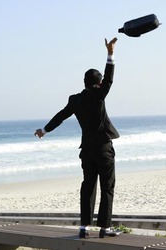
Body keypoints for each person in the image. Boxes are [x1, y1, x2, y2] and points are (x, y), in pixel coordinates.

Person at [34, 37, 120, 239]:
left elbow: (61, 116)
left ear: (84, 83)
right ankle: (105, 228)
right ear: (98, 84)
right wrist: (110, 53)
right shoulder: (99, 95)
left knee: (87, 186)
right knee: (107, 187)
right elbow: (109, 78)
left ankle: (84, 227)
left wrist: (44, 131)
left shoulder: (75, 100)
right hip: (103, 149)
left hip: (86, 150)